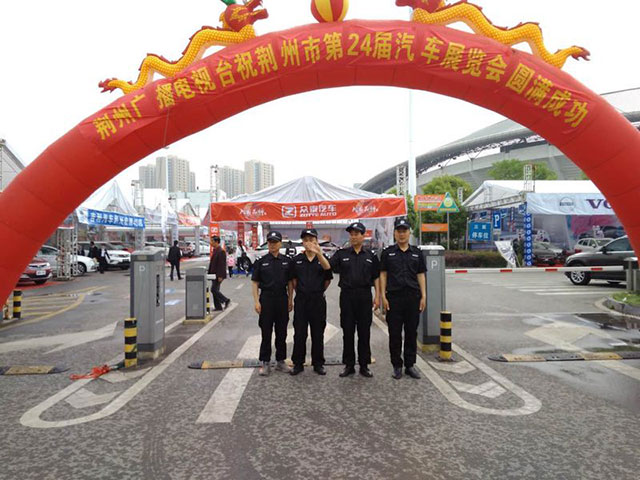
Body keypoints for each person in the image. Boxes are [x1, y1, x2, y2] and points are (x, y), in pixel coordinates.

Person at [329, 222, 380, 378]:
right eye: (351, 234)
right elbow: (327, 267)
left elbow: (376, 277)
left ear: (363, 236)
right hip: (347, 296)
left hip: (364, 296)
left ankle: (364, 365)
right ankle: (349, 365)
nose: (353, 237)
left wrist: (378, 296)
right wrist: (318, 252)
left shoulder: (370, 256)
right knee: (348, 331)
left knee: (364, 332)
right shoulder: (342, 254)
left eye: (356, 234)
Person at [380, 217, 427, 380]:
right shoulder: (388, 253)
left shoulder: (417, 253)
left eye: (404, 231)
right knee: (394, 333)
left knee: (411, 332)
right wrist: (383, 296)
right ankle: (397, 366)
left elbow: (421, 275)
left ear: (409, 233)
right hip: (394, 298)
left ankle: (410, 365)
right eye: (399, 231)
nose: (401, 234)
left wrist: (424, 295)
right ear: (394, 233)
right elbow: (383, 274)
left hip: (413, 298)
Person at [289, 228, 333, 376]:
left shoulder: (322, 259)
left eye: (312, 240)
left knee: (318, 333)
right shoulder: (297, 260)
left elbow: (328, 277)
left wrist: (318, 253)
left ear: (316, 241)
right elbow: (293, 281)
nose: (309, 243)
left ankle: (318, 363)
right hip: (302, 301)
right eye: (306, 240)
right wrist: (297, 294)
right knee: (299, 333)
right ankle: (298, 363)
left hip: (318, 301)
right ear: (302, 242)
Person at [251, 231, 293, 376]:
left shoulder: (287, 261)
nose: (272, 245)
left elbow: (290, 283)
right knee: (266, 331)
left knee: (282, 332)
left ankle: (281, 361)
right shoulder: (261, 261)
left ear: (280, 244)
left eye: (275, 242)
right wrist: (256, 301)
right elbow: (255, 283)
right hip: (266, 299)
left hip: (282, 299)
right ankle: (265, 362)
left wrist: (290, 299)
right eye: (270, 242)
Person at [208, 236, 231, 311]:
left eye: (212, 241)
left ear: (216, 242)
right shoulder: (215, 250)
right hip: (213, 274)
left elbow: (222, 265)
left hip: (218, 274)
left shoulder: (221, 251)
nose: (210, 243)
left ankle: (226, 300)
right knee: (215, 290)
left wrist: (220, 276)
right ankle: (218, 307)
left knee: (213, 289)